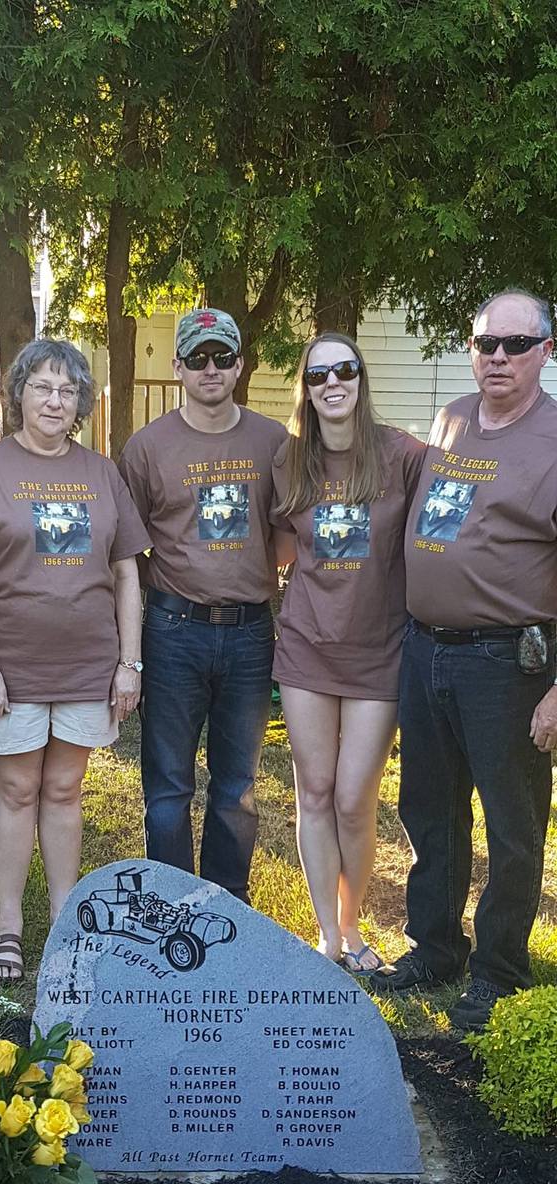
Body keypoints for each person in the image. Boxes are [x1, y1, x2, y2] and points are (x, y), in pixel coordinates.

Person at [369, 288, 557, 1030]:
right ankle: (436, 948)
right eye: (486, 345)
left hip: (508, 661)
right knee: (429, 809)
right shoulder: (450, 419)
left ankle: (500, 967)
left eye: (516, 344)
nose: (499, 358)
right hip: (427, 651)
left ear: (547, 349)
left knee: (512, 824)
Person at [0, 339, 149, 982]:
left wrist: (130, 662)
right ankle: (7, 924)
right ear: (19, 393)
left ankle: (66, 920)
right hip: (11, 667)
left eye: (67, 391)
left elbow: (126, 575)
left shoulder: (102, 474)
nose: (55, 400)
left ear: (81, 404)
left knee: (65, 789)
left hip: (87, 665)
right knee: (16, 789)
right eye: (42, 386)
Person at [118, 308, 286, 901]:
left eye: (222, 357)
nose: (210, 368)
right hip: (173, 628)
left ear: (240, 364)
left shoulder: (273, 442)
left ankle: (225, 909)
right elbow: (128, 552)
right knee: (167, 787)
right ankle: (168, 907)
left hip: (248, 632)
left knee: (237, 785)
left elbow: (289, 529)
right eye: (197, 358)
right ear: (178, 367)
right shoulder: (146, 447)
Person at [270, 333, 425, 972]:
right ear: (305, 389)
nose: (332, 383)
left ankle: (355, 925)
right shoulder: (290, 461)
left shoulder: (403, 456)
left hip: (378, 652)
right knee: (315, 791)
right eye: (318, 375)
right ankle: (329, 938)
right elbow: (280, 550)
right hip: (307, 646)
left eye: (345, 370)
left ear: (361, 380)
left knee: (355, 796)